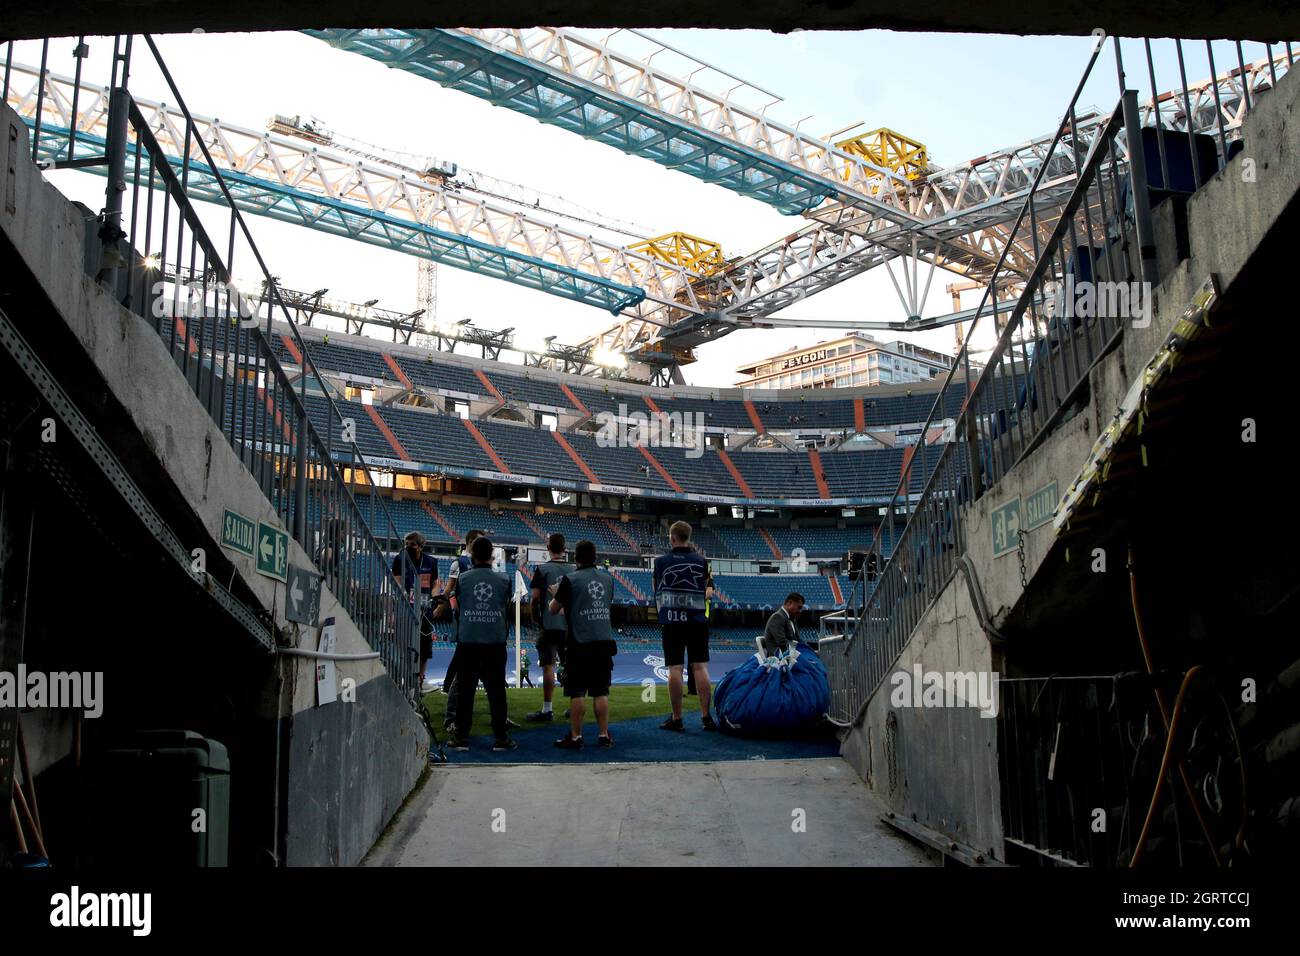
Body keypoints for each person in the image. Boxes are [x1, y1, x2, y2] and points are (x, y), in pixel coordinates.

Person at [448, 536, 516, 751]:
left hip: (468, 642)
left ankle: (461, 737)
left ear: (472, 555)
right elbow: (505, 605)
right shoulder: (505, 579)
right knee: (496, 691)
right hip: (495, 642)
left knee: (465, 691)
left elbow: (458, 604)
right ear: (493, 556)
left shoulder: (463, 579)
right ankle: (501, 738)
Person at [550, 540, 617, 749]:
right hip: (604, 642)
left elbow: (554, 609)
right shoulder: (608, 580)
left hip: (579, 643)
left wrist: (555, 594)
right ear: (595, 557)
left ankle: (576, 737)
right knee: (600, 691)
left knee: (577, 692)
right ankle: (604, 735)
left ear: (576, 558)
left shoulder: (570, 580)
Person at [653, 521, 716, 732]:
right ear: (689, 537)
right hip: (697, 621)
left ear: (672, 537)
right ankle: (706, 718)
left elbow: (657, 590)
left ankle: (677, 718)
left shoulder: (661, 562)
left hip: (672, 621)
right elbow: (706, 589)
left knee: (675, 669)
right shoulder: (701, 562)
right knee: (700, 667)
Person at [526, 533, 574, 722]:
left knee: (548, 666)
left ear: (548, 548)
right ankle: (574, 705)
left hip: (549, 624)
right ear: (564, 548)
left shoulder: (542, 569)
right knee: (571, 666)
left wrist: (535, 618)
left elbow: (535, 598)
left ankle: (547, 709)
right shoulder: (574, 569)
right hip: (569, 626)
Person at [391, 531, 439, 689]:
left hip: (425, 608)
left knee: (424, 647)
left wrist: (433, 597)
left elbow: (435, 583)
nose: (408, 546)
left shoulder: (431, 562)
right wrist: (401, 593)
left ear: (420, 546)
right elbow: (396, 580)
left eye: (412, 544)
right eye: (406, 543)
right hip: (404, 608)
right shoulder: (399, 559)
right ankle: (402, 678)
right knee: (403, 644)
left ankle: (420, 679)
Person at [762, 593, 805, 657]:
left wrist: (808, 650)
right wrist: (799, 653)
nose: (800, 611)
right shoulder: (777, 617)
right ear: (790, 603)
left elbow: (798, 640)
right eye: (799, 607)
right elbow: (782, 643)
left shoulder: (792, 619)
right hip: (779, 659)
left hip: (791, 655)